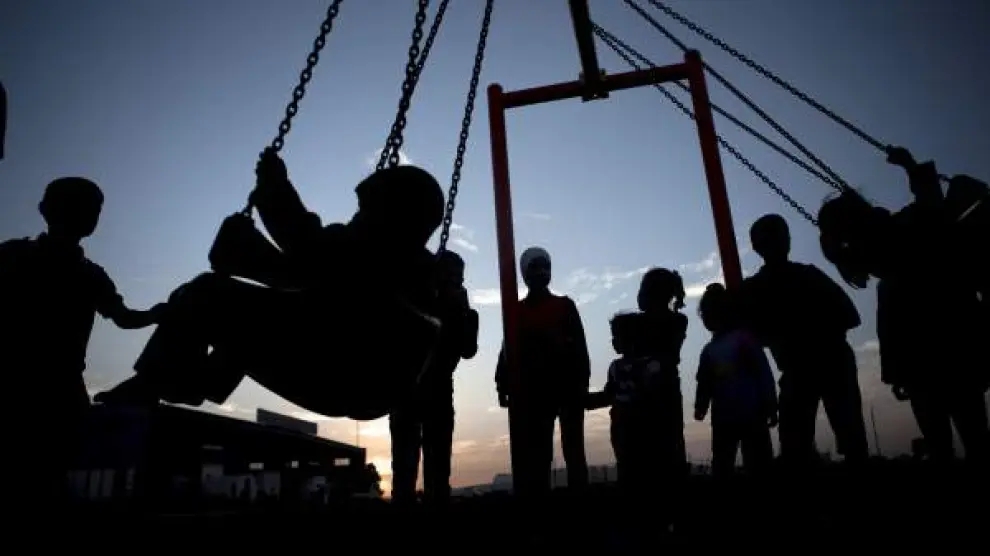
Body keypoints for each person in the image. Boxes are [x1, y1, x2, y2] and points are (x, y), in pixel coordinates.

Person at [95, 148, 446, 421]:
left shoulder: (380, 254)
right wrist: (248, 251)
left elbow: (305, 253)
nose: (357, 216)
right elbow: (305, 280)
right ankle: (196, 381)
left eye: (365, 210)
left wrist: (273, 187)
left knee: (207, 293)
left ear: (392, 215)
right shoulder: (409, 268)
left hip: (340, 374)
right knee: (244, 315)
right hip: (353, 376)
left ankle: (159, 381)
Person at [0, 177, 166, 503]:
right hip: (26, 383)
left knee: (48, 470)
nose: (90, 215)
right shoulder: (15, 256)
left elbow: (123, 317)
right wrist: (152, 315)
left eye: (94, 209)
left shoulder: (89, 274)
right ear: (48, 210)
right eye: (83, 207)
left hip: (61, 386)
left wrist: (154, 314)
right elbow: (124, 317)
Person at [818, 148, 989, 464]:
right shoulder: (901, 235)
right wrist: (910, 166)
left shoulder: (882, 269)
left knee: (943, 443)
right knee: (973, 434)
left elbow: (890, 329)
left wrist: (897, 373)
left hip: (925, 361)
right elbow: (931, 206)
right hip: (954, 347)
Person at [742, 213, 869, 469]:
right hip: (802, 368)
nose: (779, 243)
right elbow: (751, 335)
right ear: (758, 247)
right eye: (772, 238)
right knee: (796, 444)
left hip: (830, 362)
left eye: (780, 236)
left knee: (849, 438)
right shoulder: (755, 288)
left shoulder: (804, 276)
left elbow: (849, 316)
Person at [495, 246, 591, 498]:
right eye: (534, 267)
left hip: (568, 387)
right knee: (539, 454)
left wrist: (583, 383)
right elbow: (507, 349)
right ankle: (540, 505)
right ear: (525, 274)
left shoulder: (565, 305)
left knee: (574, 450)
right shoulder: (517, 311)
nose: (541, 272)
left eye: (545, 267)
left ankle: (581, 501)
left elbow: (580, 348)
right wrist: (502, 384)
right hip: (535, 391)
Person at [390, 250, 479, 506]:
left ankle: (434, 500)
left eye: (459, 278)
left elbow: (468, 349)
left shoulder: (460, 310)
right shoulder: (415, 300)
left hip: (437, 390)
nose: (457, 282)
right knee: (406, 464)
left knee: (437, 464)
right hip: (409, 389)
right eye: (452, 277)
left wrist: (466, 314)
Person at [694, 283, 777, 478]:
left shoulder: (742, 341)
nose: (706, 318)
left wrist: (770, 405)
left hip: (751, 413)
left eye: (709, 313)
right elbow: (704, 382)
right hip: (726, 416)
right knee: (726, 462)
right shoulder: (710, 350)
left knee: (756, 462)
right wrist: (701, 405)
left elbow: (762, 373)